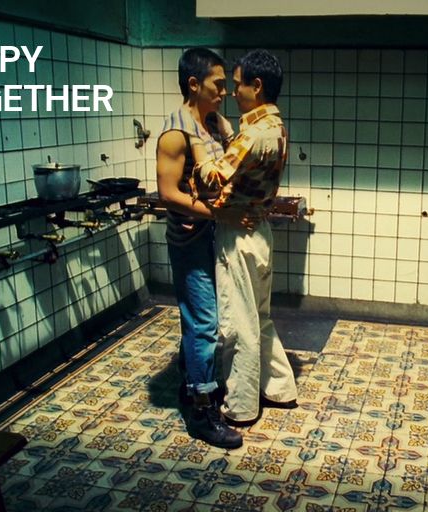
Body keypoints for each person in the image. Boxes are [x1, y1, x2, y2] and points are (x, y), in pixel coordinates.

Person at [190, 49, 298, 426]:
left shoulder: (252, 134)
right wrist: (226, 132)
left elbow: (213, 177)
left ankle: (241, 407)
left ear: (257, 85)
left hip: (237, 234)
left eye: (238, 85)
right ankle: (280, 388)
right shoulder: (276, 126)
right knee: (260, 317)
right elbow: (246, 157)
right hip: (260, 231)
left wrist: (198, 146)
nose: (233, 92)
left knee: (239, 324)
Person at [155, 47, 248, 449]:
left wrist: (227, 129)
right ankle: (201, 412)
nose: (225, 92)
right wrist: (218, 215)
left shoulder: (209, 123)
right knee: (204, 323)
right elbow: (167, 193)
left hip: (210, 236)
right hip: (190, 242)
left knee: (199, 320)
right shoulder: (176, 133)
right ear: (194, 84)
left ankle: (191, 382)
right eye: (218, 85)